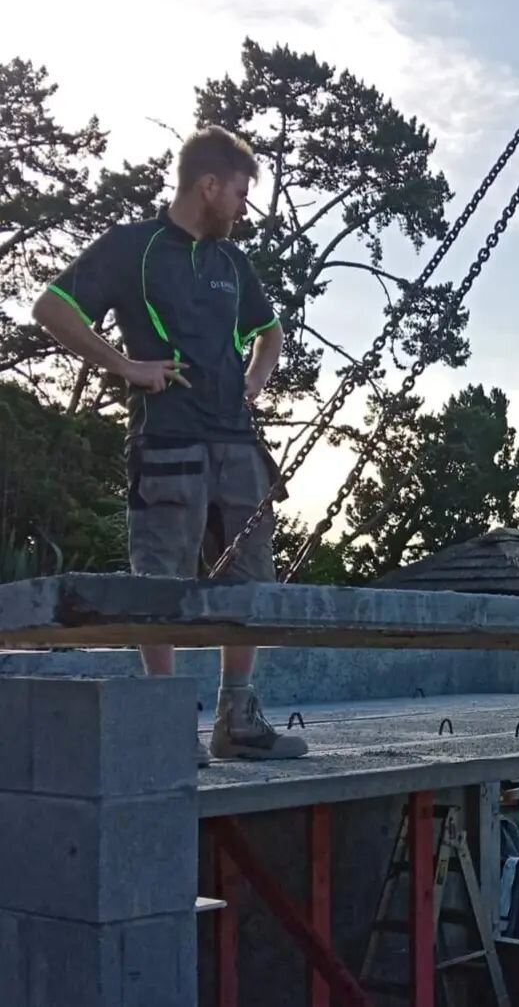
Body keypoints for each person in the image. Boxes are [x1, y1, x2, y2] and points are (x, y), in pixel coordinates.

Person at [32, 125, 308, 764]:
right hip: (167, 446)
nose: (245, 208)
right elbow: (52, 308)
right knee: (161, 586)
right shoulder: (134, 248)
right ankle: (166, 726)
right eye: (240, 193)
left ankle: (237, 722)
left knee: (252, 585)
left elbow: (271, 331)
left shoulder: (231, 263)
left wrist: (254, 382)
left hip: (237, 448)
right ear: (207, 185)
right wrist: (126, 367)